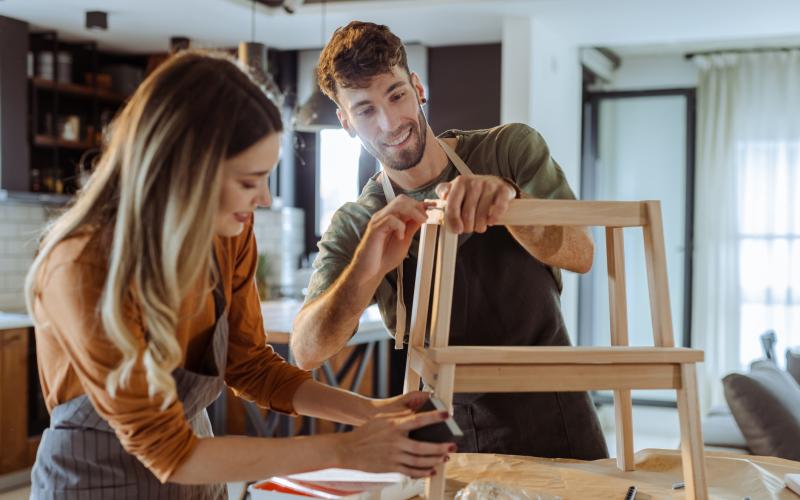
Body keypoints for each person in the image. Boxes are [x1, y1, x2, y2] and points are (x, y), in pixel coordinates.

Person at [24, 50, 453, 499]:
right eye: (249, 182)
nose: (264, 199)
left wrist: (374, 413)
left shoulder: (226, 236)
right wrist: (346, 450)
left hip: (199, 479)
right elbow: (169, 453)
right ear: (187, 173)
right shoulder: (81, 265)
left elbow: (252, 368)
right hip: (93, 486)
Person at [292, 21, 608, 460]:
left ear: (417, 88)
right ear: (345, 122)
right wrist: (367, 267)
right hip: (447, 431)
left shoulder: (509, 151)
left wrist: (511, 206)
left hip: (558, 410)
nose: (389, 123)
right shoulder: (359, 222)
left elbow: (583, 253)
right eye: (365, 110)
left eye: (396, 95)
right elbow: (307, 351)